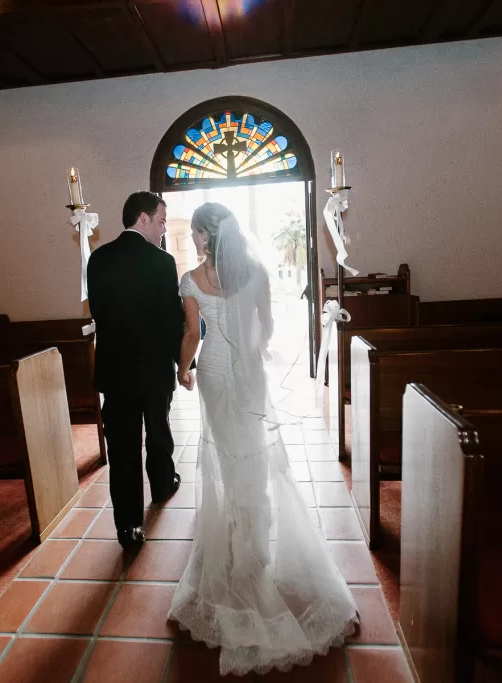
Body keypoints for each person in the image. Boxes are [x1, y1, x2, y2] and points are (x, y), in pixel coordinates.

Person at [168, 202, 358, 676]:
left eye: (195, 234)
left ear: (207, 238)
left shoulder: (191, 280)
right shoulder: (257, 274)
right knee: (253, 454)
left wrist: (183, 370)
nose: (193, 241)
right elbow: (267, 328)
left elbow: (194, 333)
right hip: (250, 375)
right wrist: (251, 349)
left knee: (226, 457)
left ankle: (239, 546)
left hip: (212, 372)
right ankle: (257, 540)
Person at [86, 191, 184, 550]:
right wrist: (183, 363)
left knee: (123, 449)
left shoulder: (98, 260)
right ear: (142, 219)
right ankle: (161, 485)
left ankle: (128, 527)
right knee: (158, 433)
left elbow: (98, 314)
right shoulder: (162, 262)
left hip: (115, 373)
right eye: (160, 221)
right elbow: (172, 321)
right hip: (154, 370)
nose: (162, 229)